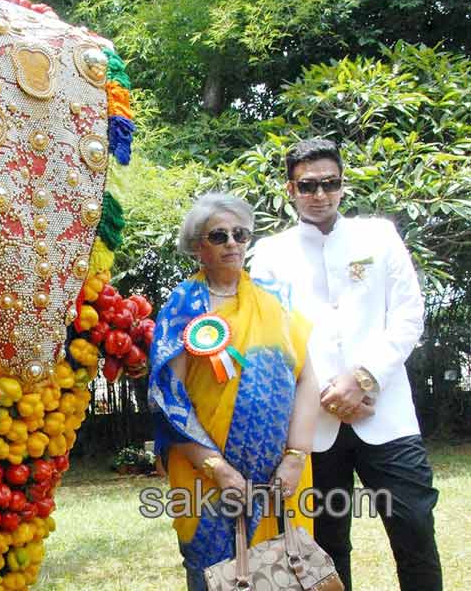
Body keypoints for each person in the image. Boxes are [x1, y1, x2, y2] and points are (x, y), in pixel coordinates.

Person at [250, 137, 442, 591]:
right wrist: (326, 394)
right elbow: (269, 338)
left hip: (385, 413)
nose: (320, 195)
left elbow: (409, 314)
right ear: (290, 189)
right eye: (308, 185)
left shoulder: (379, 236)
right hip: (311, 427)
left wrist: (363, 378)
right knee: (325, 544)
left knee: (414, 527)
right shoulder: (270, 254)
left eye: (329, 184)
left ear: (342, 185)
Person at [148, 193, 320, 591]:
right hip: (205, 478)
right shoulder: (181, 306)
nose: (232, 243)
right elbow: (167, 397)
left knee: (286, 575)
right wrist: (217, 468)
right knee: (215, 577)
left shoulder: (275, 300)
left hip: (280, 476)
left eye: (240, 234)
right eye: (219, 235)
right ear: (198, 248)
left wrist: (296, 457)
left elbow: (307, 379)